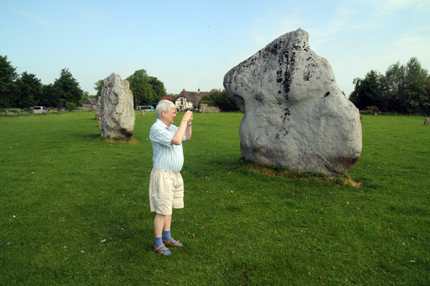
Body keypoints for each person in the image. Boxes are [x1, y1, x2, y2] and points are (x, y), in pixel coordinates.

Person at [149, 100, 193, 256]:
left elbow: (186, 136)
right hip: (163, 175)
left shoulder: (171, 128)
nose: (175, 114)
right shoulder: (156, 129)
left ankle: (167, 237)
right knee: (162, 210)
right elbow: (176, 140)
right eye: (173, 112)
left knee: (169, 208)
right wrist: (184, 120)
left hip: (175, 175)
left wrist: (188, 124)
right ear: (164, 113)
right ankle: (158, 242)